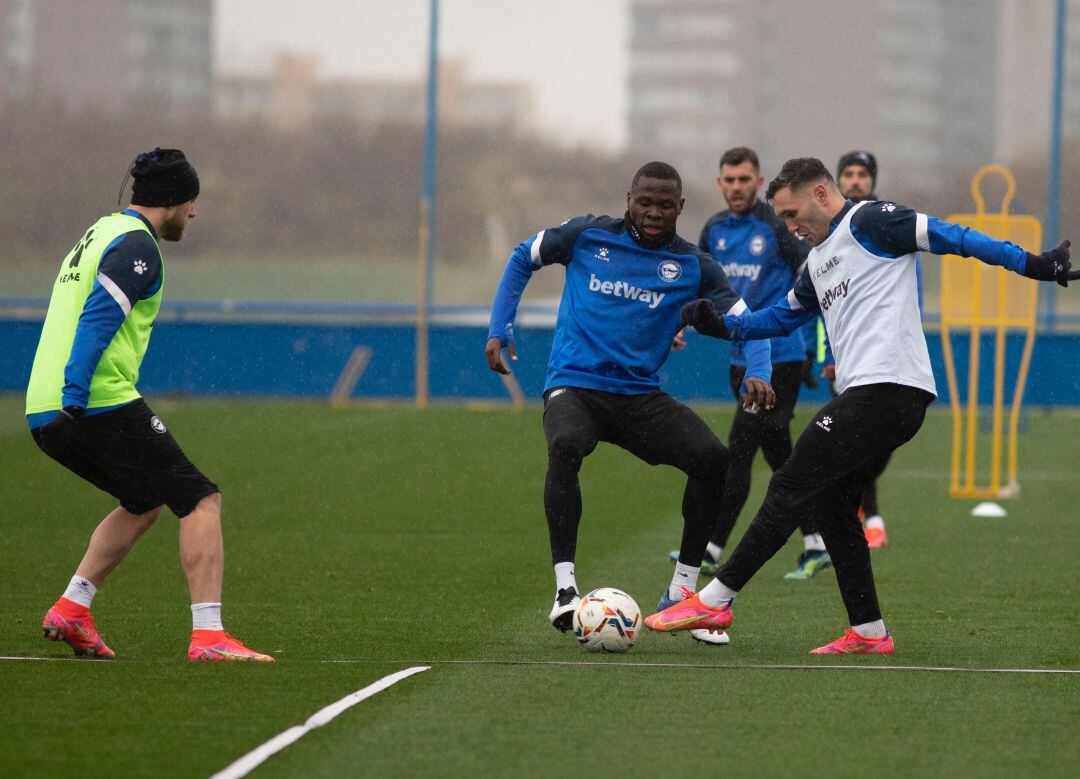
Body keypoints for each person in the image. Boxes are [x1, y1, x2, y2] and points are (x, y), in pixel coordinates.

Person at [646, 156, 1075, 653]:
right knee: (829, 503)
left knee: (788, 482)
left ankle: (716, 598)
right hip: (871, 396)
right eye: (782, 218)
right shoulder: (815, 264)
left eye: (791, 214)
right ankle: (869, 632)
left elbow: (954, 236)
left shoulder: (871, 220)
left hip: (890, 388)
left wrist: (1033, 265)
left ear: (822, 195)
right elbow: (776, 319)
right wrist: (717, 324)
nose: (789, 226)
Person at [485, 161, 775, 645]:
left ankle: (681, 595)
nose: (654, 212)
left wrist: (760, 369)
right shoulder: (587, 235)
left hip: (639, 396)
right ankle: (565, 591)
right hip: (575, 386)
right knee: (566, 445)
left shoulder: (694, 265)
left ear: (680, 207)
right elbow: (523, 257)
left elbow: (748, 318)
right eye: (646, 202)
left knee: (714, 463)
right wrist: (500, 325)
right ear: (629, 199)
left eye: (665, 205)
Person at [27, 148, 273, 662]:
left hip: (42, 404)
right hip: (91, 398)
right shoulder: (138, 247)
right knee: (200, 498)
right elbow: (98, 320)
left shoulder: (100, 231)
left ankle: (73, 609)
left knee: (144, 500)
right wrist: (76, 397)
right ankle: (209, 637)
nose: (194, 214)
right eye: (191, 202)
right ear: (173, 201)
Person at [668, 146, 830, 581]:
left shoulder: (777, 225)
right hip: (739, 357)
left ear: (758, 182)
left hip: (782, 355)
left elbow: (813, 273)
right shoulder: (715, 230)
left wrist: (815, 341)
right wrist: (678, 322)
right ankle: (817, 541)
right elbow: (695, 280)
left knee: (739, 450)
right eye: (729, 180)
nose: (737, 187)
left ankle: (710, 547)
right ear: (720, 183)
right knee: (780, 453)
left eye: (744, 180)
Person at [832, 150, 923, 548]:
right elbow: (824, 303)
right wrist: (827, 356)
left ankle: (856, 506)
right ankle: (869, 517)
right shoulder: (828, 232)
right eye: (848, 174)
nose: (855, 180)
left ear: (872, 180)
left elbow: (910, 290)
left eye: (862, 174)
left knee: (878, 443)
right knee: (855, 443)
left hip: (890, 355)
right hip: (848, 357)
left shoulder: (887, 224)